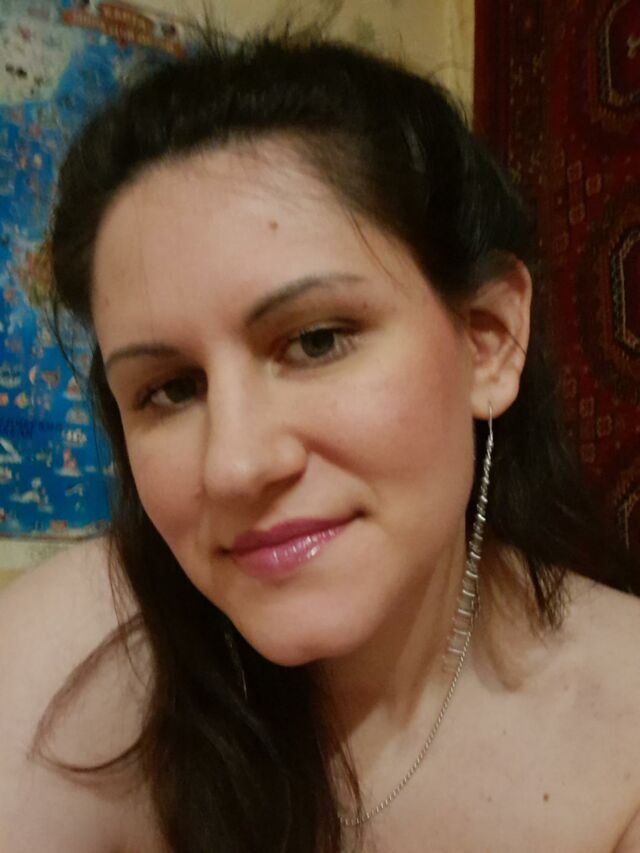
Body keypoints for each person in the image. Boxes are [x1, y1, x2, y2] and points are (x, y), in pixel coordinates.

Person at [0, 27, 639, 853]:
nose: (235, 465)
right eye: (171, 388)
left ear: (488, 340)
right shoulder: (72, 656)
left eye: (316, 340)